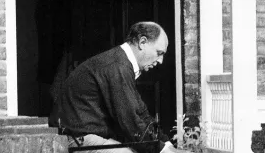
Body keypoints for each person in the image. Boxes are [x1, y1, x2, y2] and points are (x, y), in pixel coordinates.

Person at [55, 21, 180, 153]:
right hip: (77, 139)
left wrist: (166, 144)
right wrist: (162, 150)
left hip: (90, 136)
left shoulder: (122, 63)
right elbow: (130, 121)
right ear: (142, 42)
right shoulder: (117, 66)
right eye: (159, 53)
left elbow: (141, 113)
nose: (160, 61)